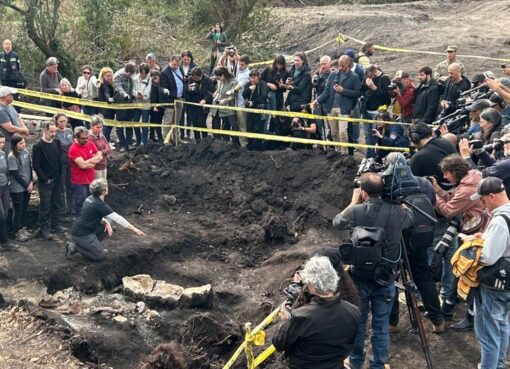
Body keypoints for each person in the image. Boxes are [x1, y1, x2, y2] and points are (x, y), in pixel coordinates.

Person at [333, 173, 413, 369]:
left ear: (363, 192)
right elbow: (411, 219)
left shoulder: (356, 211)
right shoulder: (397, 212)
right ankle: (378, 364)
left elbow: (337, 222)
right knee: (380, 325)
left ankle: (355, 362)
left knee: (358, 324)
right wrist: (397, 200)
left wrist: (353, 202)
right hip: (385, 279)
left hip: (358, 278)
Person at [272, 255, 360, 369]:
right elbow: (350, 344)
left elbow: (278, 343)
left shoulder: (300, 317)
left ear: (311, 285)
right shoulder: (353, 312)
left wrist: (285, 321)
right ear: (334, 278)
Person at [430, 154, 486, 325]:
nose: (445, 177)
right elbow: (457, 200)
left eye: (446, 173)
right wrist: (439, 190)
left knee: (469, 271)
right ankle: (450, 304)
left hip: (475, 233)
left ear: (455, 171)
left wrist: (435, 197)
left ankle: (470, 316)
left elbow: (449, 210)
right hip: (477, 227)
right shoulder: (472, 178)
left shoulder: (467, 189)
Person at [466, 177, 510, 369]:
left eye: (483, 200)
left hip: (495, 285)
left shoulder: (500, 220)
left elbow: (488, 257)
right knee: (502, 325)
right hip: (507, 283)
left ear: (492, 196)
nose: (482, 205)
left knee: (487, 334)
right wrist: (484, 237)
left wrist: (471, 247)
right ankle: (498, 365)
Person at [65, 179, 145, 261]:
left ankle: (93, 247)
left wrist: (105, 221)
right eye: (106, 187)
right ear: (103, 191)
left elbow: (91, 215)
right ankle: (75, 247)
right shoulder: (99, 204)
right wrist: (135, 230)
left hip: (84, 229)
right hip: (81, 234)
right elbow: (118, 219)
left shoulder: (90, 198)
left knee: (108, 222)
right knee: (100, 256)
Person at [316, 55, 361, 154]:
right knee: (334, 132)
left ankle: (344, 153)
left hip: (344, 108)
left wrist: (343, 90)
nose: (340, 68)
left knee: (342, 132)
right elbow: (327, 90)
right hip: (331, 107)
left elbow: (357, 94)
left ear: (348, 64)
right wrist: (317, 100)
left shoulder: (354, 77)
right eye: (339, 65)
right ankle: (337, 151)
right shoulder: (333, 75)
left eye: (343, 66)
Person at [32, 122, 65, 240]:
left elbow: (59, 159)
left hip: (57, 179)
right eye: (51, 132)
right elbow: (36, 165)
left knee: (56, 203)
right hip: (46, 182)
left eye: (54, 131)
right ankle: (44, 230)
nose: (53, 134)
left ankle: (55, 225)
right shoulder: (38, 146)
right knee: (45, 206)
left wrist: (60, 175)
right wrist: (44, 179)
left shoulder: (56, 142)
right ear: (44, 131)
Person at [460, 131, 510, 197]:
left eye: (505, 142)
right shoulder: (506, 164)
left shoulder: (506, 164)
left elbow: (477, 177)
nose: (503, 145)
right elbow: (497, 167)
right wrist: (480, 152)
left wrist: (466, 157)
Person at [68, 126, 103, 213]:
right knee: (81, 203)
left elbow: (100, 156)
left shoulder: (90, 143)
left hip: (90, 179)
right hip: (79, 181)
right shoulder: (73, 149)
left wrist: (88, 162)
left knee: (91, 201)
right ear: (76, 137)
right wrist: (94, 161)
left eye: (87, 138)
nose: (86, 140)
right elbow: (83, 166)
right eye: (83, 138)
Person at [361, 65, 391, 158]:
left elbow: (387, 98)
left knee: (376, 135)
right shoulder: (367, 77)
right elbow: (361, 90)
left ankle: (377, 156)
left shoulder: (384, 78)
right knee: (367, 135)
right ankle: (369, 156)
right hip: (366, 110)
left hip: (378, 112)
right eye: (367, 76)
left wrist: (374, 87)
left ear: (375, 71)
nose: (369, 78)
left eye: (371, 76)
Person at [8, 134, 33, 242]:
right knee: (18, 210)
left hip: (28, 186)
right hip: (18, 188)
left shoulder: (26, 152)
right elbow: (15, 174)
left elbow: (30, 168)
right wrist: (26, 185)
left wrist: (31, 181)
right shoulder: (12, 157)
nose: (23, 145)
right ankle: (17, 231)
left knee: (24, 208)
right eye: (20, 143)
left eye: (24, 142)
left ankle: (23, 228)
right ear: (15, 145)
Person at [210, 66, 239, 145]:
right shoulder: (220, 81)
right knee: (219, 125)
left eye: (218, 78)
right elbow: (219, 90)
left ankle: (234, 142)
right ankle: (221, 142)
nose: (218, 80)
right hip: (217, 105)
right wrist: (216, 93)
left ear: (223, 75)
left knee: (233, 124)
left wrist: (224, 101)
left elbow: (232, 96)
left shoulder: (233, 82)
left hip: (228, 106)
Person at [185, 67, 215, 143]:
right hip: (193, 104)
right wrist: (189, 89)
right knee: (195, 123)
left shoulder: (208, 80)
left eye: (197, 78)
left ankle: (205, 139)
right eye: (195, 78)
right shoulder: (191, 79)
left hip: (203, 105)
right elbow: (187, 91)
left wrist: (205, 99)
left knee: (201, 122)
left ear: (201, 75)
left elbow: (211, 92)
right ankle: (197, 140)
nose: (196, 80)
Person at [160, 54, 184, 143]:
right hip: (169, 100)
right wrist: (165, 90)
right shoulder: (164, 72)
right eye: (174, 65)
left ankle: (176, 138)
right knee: (168, 121)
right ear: (170, 61)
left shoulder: (179, 69)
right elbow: (161, 86)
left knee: (177, 120)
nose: (176, 67)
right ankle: (166, 140)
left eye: (177, 65)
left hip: (179, 98)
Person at [54, 113, 74, 215]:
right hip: (60, 163)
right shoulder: (55, 133)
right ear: (56, 122)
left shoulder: (69, 131)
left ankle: (71, 208)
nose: (63, 123)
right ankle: (62, 210)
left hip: (70, 161)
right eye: (60, 121)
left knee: (70, 186)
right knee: (61, 187)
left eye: (64, 121)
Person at [0, 132, 17, 251]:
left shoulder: (2, 154)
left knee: (5, 214)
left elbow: (6, 171)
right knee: (0, 215)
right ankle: (4, 241)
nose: (1, 145)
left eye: (2, 142)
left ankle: (4, 240)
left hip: (4, 186)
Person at [243, 70, 267, 150]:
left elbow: (263, 96)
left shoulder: (262, 84)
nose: (252, 80)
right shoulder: (248, 84)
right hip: (250, 110)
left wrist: (254, 103)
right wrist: (249, 89)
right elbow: (244, 95)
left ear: (258, 77)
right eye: (251, 78)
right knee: (250, 128)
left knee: (258, 129)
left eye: (254, 78)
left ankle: (257, 148)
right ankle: (250, 146)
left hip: (260, 109)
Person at [113, 63, 136, 152]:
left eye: (131, 74)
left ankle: (129, 143)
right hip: (120, 106)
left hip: (129, 106)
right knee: (120, 127)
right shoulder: (118, 78)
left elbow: (132, 90)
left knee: (129, 126)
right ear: (125, 71)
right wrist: (124, 94)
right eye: (129, 73)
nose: (130, 75)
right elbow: (118, 88)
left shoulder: (131, 80)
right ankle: (122, 144)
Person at [0, 86, 29, 154]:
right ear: (4, 96)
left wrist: (24, 128)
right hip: (8, 144)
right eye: (11, 94)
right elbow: (10, 128)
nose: (13, 96)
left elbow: (18, 117)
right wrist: (24, 130)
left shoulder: (10, 106)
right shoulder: (1, 110)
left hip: (16, 142)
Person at [312, 55, 333, 141]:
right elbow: (314, 87)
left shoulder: (333, 74)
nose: (323, 66)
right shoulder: (318, 75)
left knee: (331, 125)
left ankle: (331, 142)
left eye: (324, 64)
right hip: (319, 102)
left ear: (329, 63)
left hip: (329, 102)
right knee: (318, 124)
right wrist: (316, 79)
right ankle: (320, 141)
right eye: (321, 64)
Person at [179, 50, 197, 141]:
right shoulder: (178, 67)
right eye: (184, 59)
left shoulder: (195, 67)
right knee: (181, 114)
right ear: (181, 59)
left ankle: (189, 132)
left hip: (191, 94)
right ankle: (181, 132)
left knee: (190, 113)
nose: (186, 61)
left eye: (188, 59)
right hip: (181, 93)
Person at [133, 63, 151, 146]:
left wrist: (144, 96)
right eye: (142, 73)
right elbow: (132, 89)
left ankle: (144, 141)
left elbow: (149, 91)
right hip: (136, 104)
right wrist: (137, 94)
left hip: (146, 105)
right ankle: (139, 139)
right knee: (135, 123)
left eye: (145, 73)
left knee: (144, 124)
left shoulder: (149, 79)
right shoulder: (134, 78)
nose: (143, 75)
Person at [88, 115, 111, 180]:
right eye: (97, 127)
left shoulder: (101, 135)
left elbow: (109, 148)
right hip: (95, 168)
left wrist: (102, 152)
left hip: (103, 165)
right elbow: (93, 154)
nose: (100, 129)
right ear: (92, 126)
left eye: (101, 127)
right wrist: (104, 151)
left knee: (104, 187)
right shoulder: (89, 138)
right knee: (97, 187)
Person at [97, 67, 115, 142]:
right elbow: (106, 93)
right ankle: (106, 142)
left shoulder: (103, 84)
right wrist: (109, 99)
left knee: (107, 126)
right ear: (103, 76)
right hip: (108, 109)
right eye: (107, 76)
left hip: (105, 109)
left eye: (110, 75)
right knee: (108, 126)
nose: (109, 77)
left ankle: (107, 141)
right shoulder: (105, 85)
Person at [149, 70, 164, 143]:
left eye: (156, 78)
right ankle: (157, 137)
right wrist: (154, 106)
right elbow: (152, 97)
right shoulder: (151, 86)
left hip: (159, 106)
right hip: (154, 106)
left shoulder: (160, 85)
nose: (155, 79)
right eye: (153, 78)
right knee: (155, 122)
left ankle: (155, 136)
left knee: (157, 122)